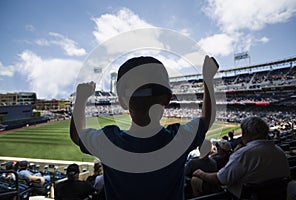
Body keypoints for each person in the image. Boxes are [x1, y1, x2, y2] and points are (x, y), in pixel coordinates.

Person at [70, 55, 218, 200]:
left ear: (122, 102)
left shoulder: (109, 141)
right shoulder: (178, 139)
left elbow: (76, 135)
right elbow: (206, 119)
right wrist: (208, 79)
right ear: (167, 98)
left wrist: (81, 98)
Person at [192, 116, 290, 199]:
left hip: (241, 196)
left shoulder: (245, 153)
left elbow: (221, 179)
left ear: (246, 132)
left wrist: (202, 174)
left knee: (195, 180)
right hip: (274, 196)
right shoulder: (279, 151)